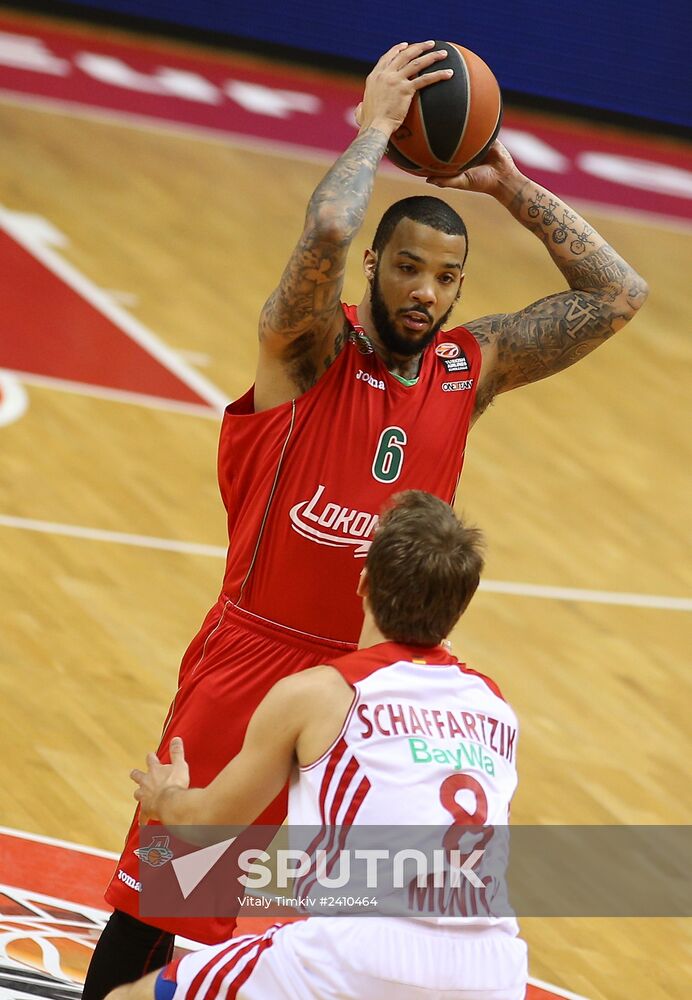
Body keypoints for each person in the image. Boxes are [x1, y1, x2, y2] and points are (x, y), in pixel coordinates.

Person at [85, 39, 647, 996]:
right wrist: (374, 131)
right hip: (255, 665)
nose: (425, 292)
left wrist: (511, 187)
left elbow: (618, 294)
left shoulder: (470, 371)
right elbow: (325, 234)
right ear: (375, 266)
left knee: (335, 941)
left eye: (446, 278)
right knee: (171, 901)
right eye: (407, 269)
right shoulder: (306, 349)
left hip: (371, 692)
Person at [108, 491, 527, 1000]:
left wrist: (163, 798)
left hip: (358, 952)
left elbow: (209, 826)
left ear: (364, 582)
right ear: (459, 608)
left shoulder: (318, 693)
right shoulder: (494, 704)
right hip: (494, 970)